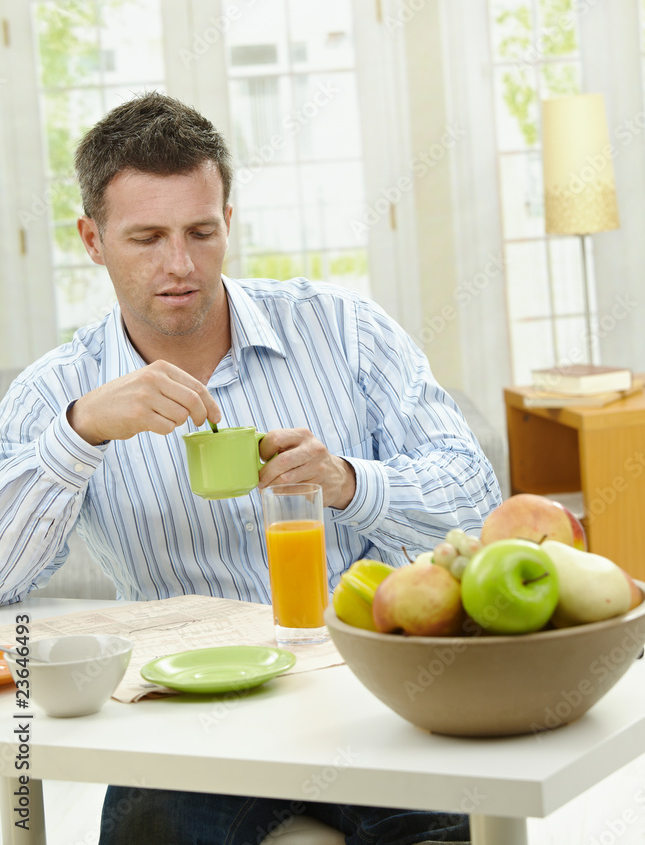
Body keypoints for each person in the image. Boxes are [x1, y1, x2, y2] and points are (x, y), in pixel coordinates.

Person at [0, 92, 500, 845]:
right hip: (183, 721)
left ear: (228, 221)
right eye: (147, 238)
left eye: (202, 231)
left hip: (364, 691)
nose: (181, 265)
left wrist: (347, 482)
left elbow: (477, 505)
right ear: (92, 240)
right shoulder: (54, 393)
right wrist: (81, 434)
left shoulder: (346, 331)